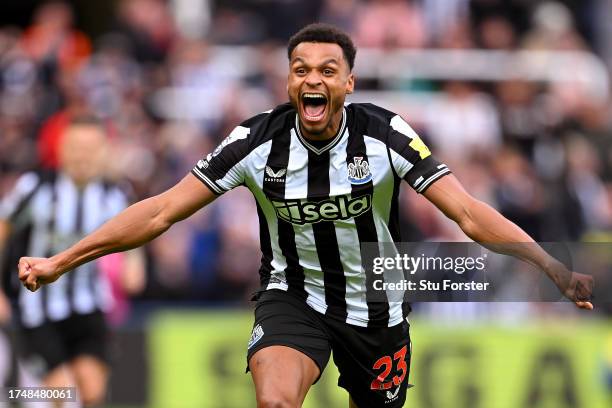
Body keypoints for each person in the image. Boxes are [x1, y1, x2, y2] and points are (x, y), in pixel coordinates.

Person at [16, 24, 592, 408]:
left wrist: (547, 264)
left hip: (377, 305)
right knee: (274, 401)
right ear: (289, 81)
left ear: (347, 82)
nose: (311, 79)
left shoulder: (385, 134)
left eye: (325, 70)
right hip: (291, 294)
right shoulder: (254, 143)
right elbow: (162, 210)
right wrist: (62, 262)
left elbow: (467, 213)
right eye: (300, 69)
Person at [0, 116, 145, 406]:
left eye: (91, 148)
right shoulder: (36, 187)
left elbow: (133, 231)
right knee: (63, 396)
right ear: (64, 149)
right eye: (77, 147)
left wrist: (134, 261)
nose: (84, 155)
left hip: (89, 306)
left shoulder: (114, 194)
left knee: (92, 394)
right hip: (38, 309)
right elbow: (4, 227)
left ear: (104, 151)